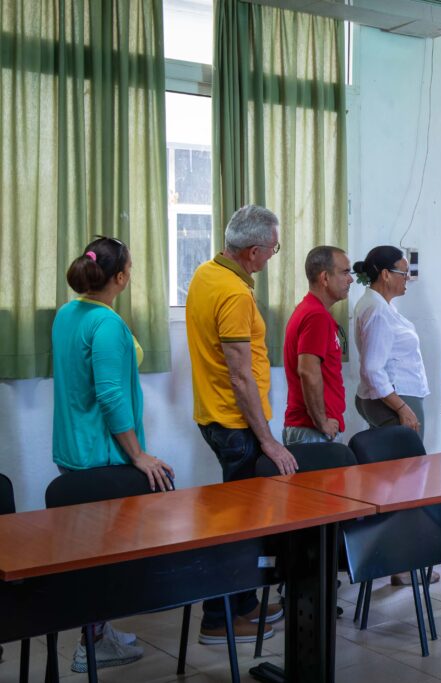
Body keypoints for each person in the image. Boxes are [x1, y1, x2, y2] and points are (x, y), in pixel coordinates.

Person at [52, 236, 175, 672]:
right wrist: (139, 455)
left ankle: (98, 632)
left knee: (90, 551)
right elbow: (108, 395)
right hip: (99, 458)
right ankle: (91, 647)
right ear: (120, 277)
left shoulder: (69, 314)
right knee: (102, 557)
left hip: (73, 452)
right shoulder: (106, 325)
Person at [185, 204, 297, 645]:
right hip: (236, 425)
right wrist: (267, 440)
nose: (273, 256)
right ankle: (220, 617)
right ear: (252, 252)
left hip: (215, 417)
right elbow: (239, 374)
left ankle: (245, 604)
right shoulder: (234, 294)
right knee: (240, 526)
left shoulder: (206, 274)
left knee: (243, 519)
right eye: (272, 249)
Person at [352, 246, 429, 438]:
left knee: (392, 463)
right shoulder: (378, 310)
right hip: (396, 396)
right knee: (411, 463)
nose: (408, 278)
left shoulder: (379, 305)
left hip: (391, 394)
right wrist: (402, 408)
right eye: (404, 273)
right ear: (385, 274)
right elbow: (372, 368)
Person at [282, 246, 353, 445]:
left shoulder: (311, 311)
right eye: (345, 272)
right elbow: (308, 371)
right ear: (325, 278)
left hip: (310, 429)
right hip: (312, 431)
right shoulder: (316, 316)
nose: (351, 280)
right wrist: (321, 422)